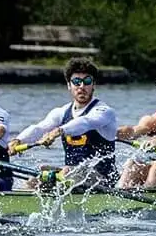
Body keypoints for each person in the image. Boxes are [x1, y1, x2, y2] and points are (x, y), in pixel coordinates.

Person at [12, 58, 117, 189]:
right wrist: (18, 140)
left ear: (94, 85)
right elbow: (39, 128)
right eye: (76, 82)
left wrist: (58, 131)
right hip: (71, 176)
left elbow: (85, 122)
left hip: (103, 180)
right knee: (39, 174)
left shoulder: (104, 111)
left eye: (87, 81)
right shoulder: (61, 112)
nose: (82, 87)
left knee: (69, 171)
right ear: (69, 85)